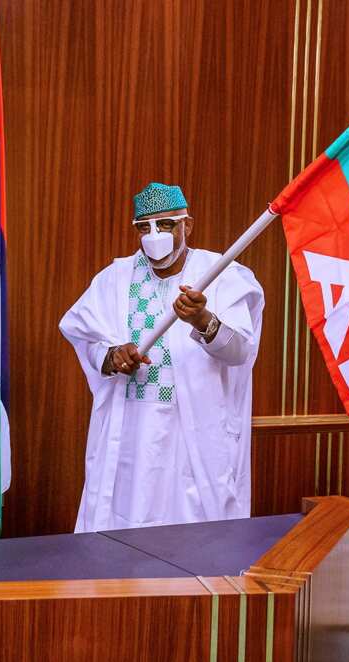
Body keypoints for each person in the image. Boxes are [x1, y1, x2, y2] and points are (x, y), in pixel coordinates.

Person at [60, 182, 264, 531]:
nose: (155, 235)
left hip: (194, 439)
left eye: (166, 224)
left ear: (188, 225)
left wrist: (204, 320)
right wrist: (111, 357)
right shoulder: (114, 279)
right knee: (122, 530)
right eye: (145, 227)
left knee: (196, 535)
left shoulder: (221, 274)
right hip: (130, 439)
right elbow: (83, 336)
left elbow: (239, 352)